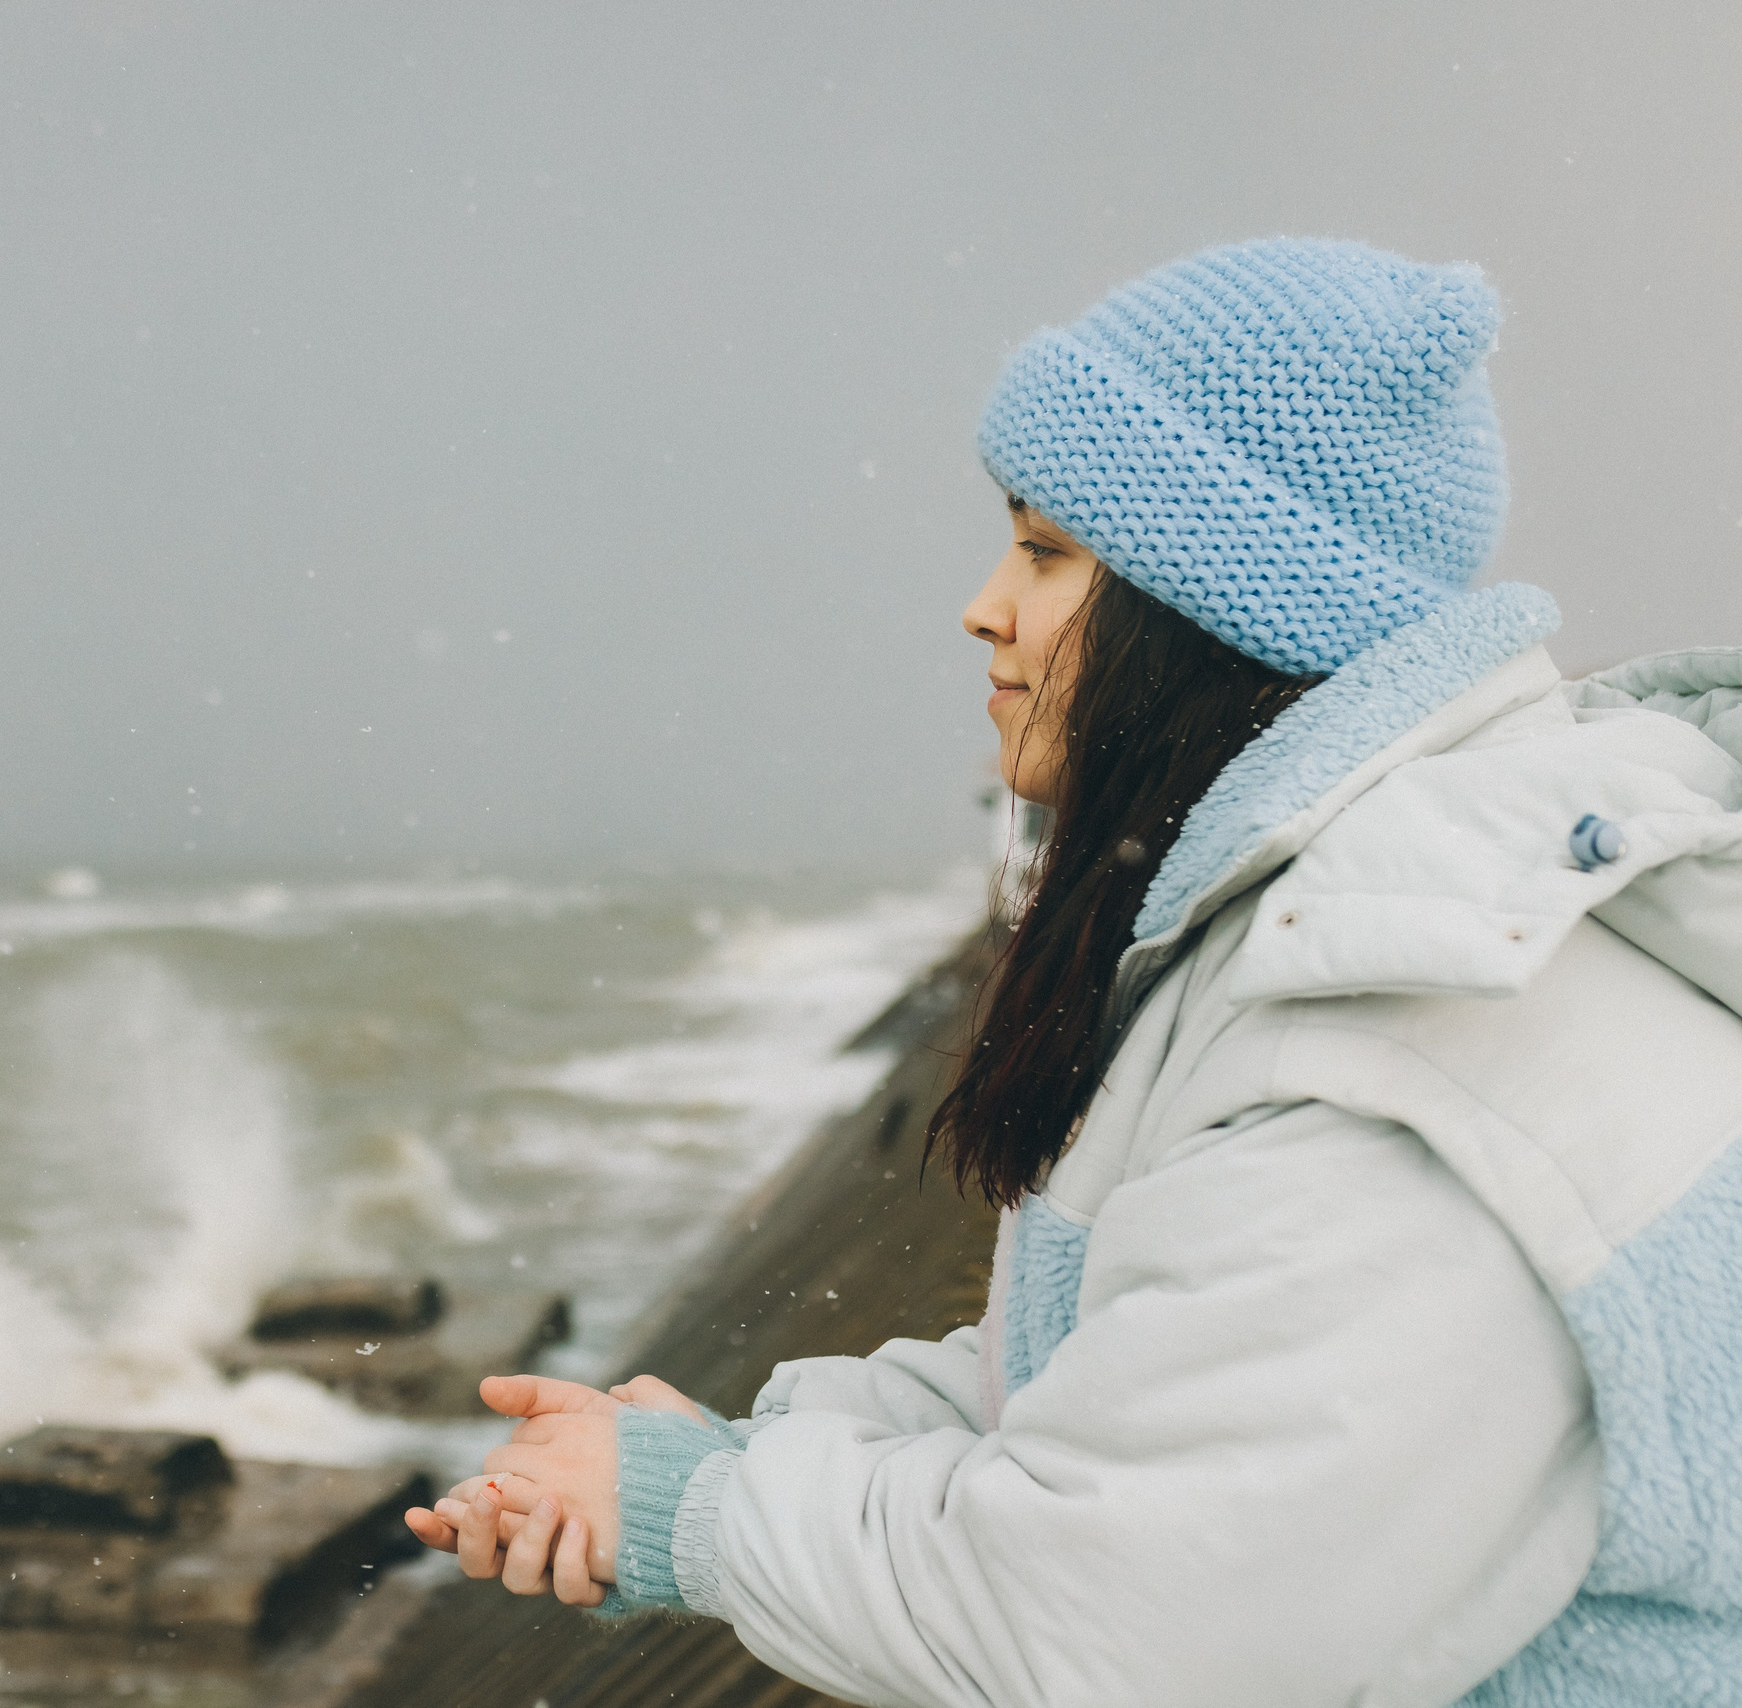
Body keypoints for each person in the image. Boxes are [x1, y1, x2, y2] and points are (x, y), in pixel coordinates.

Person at [403, 237, 1742, 1705]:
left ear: (1213, 598)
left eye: (1045, 552)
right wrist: (731, 1452)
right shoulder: (1323, 942)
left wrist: (695, 1514)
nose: (986, 607)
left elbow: (1127, 1630)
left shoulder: (1419, 1032)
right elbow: (1091, 1374)